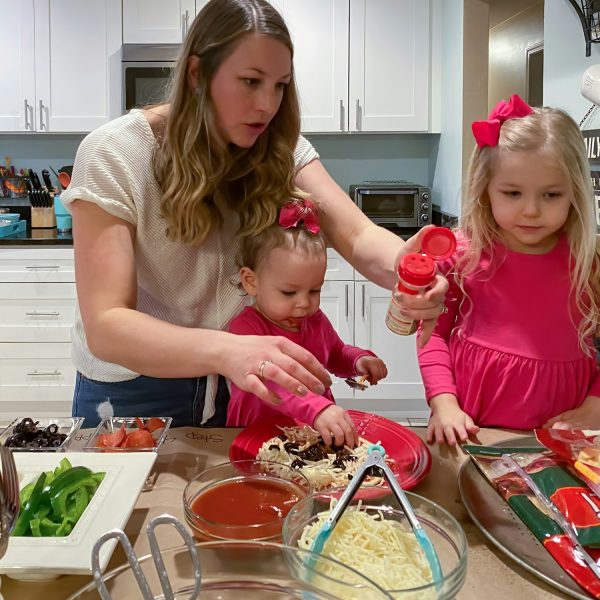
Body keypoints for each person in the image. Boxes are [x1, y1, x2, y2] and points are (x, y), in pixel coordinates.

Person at [61, 0, 447, 428]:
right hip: (134, 386)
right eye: (250, 81)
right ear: (196, 75)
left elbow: (356, 235)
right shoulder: (115, 152)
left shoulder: (280, 150)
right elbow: (107, 324)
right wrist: (227, 351)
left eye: (280, 85)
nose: (268, 105)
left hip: (241, 380)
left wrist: (406, 269)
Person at [418, 94, 600, 446]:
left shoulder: (587, 263)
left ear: (575, 193)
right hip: (471, 430)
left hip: (562, 440)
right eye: (513, 193)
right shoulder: (463, 255)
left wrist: (596, 403)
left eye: (551, 195)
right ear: (486, 191)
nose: (531, 210)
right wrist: (444, 403)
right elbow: (432, 335)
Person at [226, 199, 388, 447]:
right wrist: (317, 409)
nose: (304, 303)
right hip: (256, 435)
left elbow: (335, 353)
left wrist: (358, 360)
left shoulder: (315, 320)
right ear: (251, 281)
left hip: (311, 435)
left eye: (314, 290)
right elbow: (271, 380)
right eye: (289, 293)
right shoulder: (246, 329)